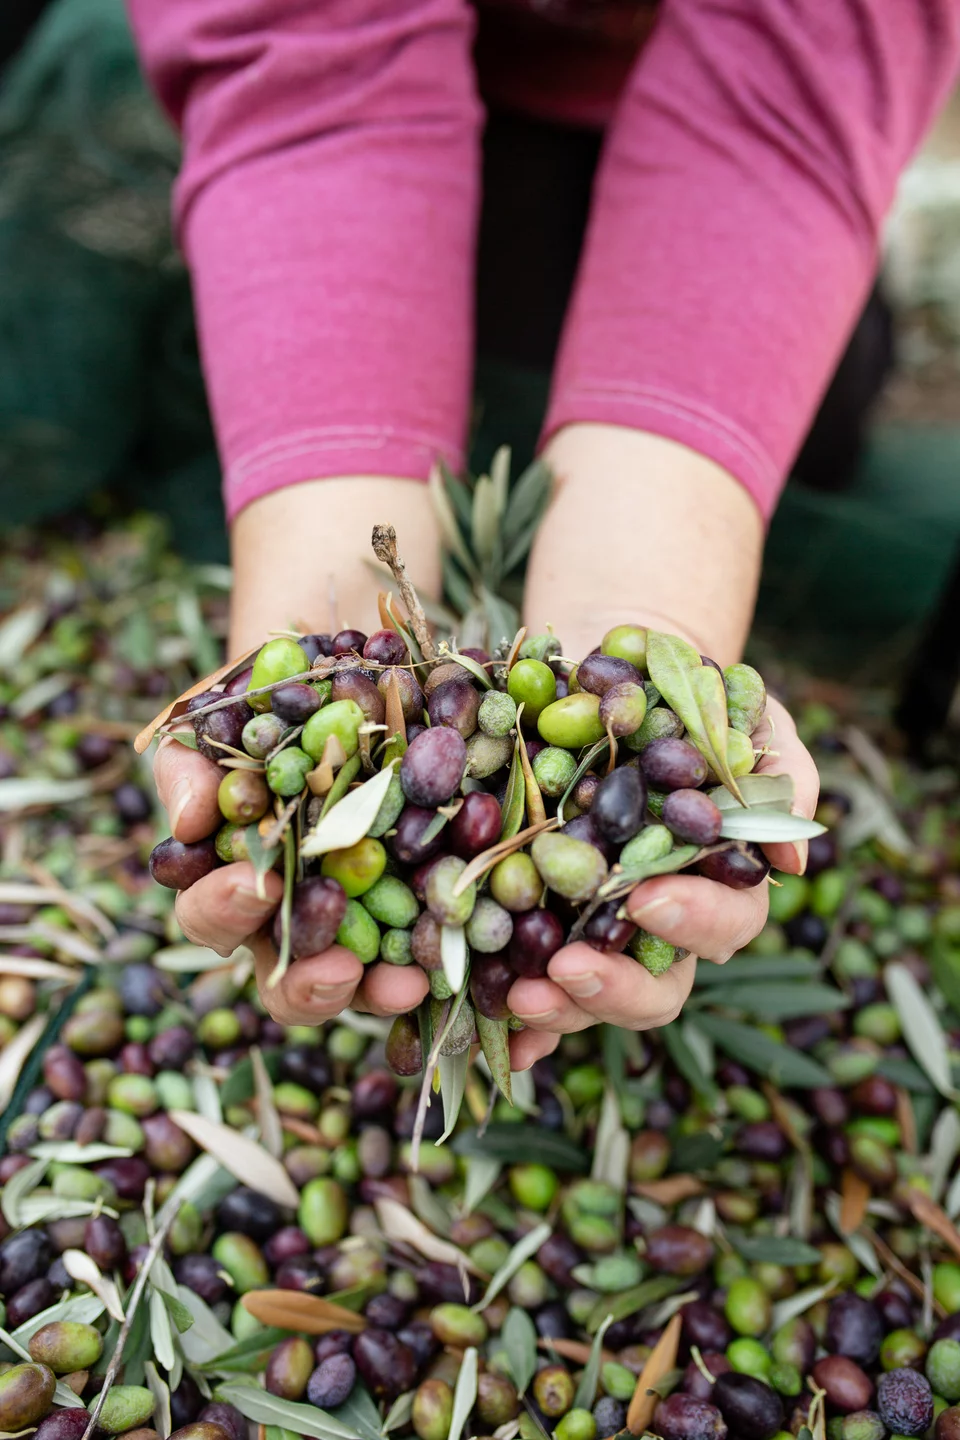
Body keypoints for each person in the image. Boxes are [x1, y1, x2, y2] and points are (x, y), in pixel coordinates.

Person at [128, 0, 958, 1068]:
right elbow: (305, 69)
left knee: (819, 416)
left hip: (680, 107)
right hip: (389, 83)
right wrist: (327, 578)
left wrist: (653, 612)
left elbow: (799, 71)